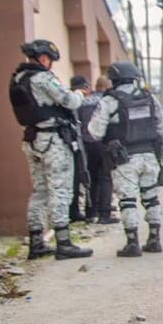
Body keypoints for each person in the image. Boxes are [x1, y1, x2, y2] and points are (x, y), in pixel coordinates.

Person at [8, 39, 93, 260]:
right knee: (60, 190)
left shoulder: (18, 78)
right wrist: (79, 93)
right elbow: (70, 101)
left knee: (40, 192)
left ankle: (36, 242)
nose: (50, 64)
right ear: (44, 58)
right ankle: (64, 243)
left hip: (32, 140)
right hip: (53, 141)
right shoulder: (43, 78)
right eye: (50, 60)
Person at [88, 61, 163, 257]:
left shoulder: (109, 101)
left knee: (128, 200)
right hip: (150, 156)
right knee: (151, 197)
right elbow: (162, 128)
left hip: (124, 158)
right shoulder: (149, 98)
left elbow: (95, 132)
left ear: (113, 79)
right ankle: (155, 239)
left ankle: (132, 243)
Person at [80, 75, 118, 224]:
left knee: (92, 177)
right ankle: (104, 213)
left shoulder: (84, 101)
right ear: (108, 86)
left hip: (87, 143)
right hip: (103, 142)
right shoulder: (107, 101)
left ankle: (91, 211)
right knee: (106, 177)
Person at [67, 75, 92, 222]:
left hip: (74, 143)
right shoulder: (77, 100)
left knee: (77, 178)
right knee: (76, 178)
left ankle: (75, 210)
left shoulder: (69, 99)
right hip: (76, 144)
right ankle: (74, 211)